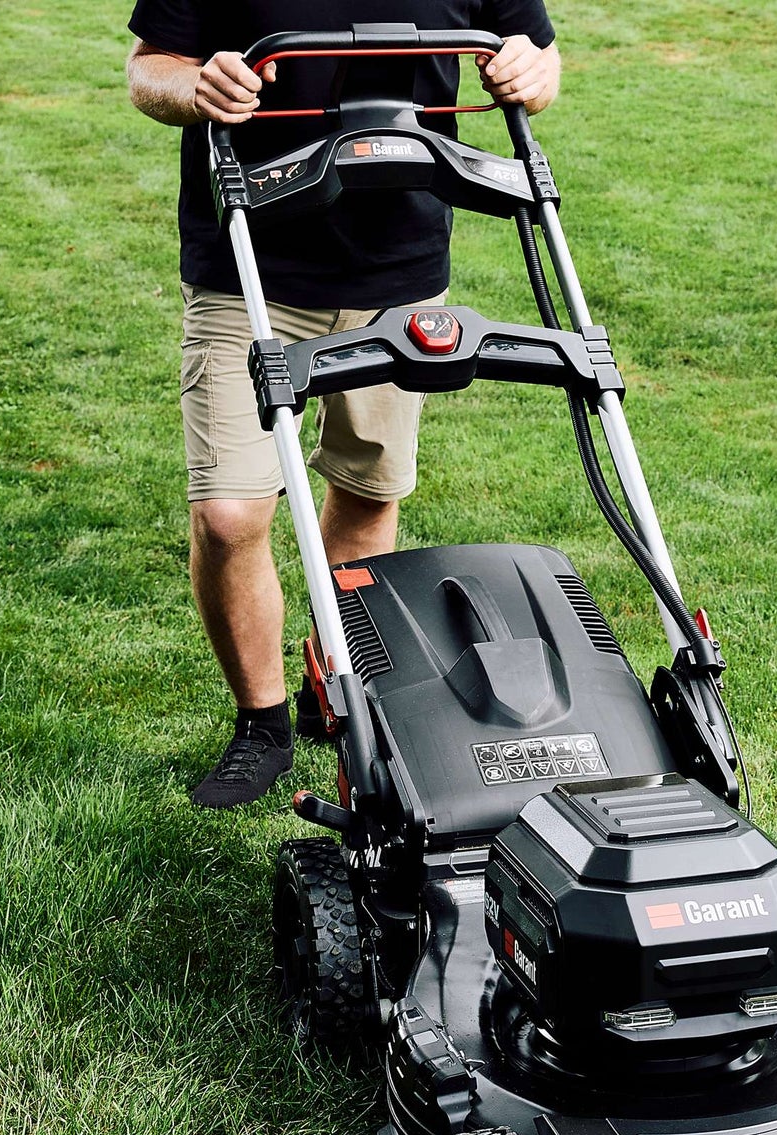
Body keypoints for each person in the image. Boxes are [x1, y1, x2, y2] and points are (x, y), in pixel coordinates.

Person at [126, 3, 560, 808]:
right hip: (249, 254)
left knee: (366, 492)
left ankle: (334, 691)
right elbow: (150, 67)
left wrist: (534, 72)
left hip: (397, 263)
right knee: (229, 513)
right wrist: (196, 86)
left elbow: (535, 52)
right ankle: (260, 725)